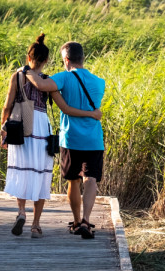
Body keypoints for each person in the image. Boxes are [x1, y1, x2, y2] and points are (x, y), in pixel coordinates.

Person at [0, 34, 101, 238]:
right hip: (49, 130)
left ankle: (21, 211)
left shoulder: (21, 76)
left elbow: (7, 105)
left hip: (22, 127)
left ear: (29, 58)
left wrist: (3, 129)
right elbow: (62, 106)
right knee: (41, 173)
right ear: (46, 61)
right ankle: (39, 225)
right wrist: (91, 113)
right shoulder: (55, 80)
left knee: (23, 170)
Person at [24, 41, 105, 240]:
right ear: (82, 58)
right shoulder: (99, 82)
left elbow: (41, 85)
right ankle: (86, 220)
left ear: (66, 60)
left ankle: (76, 222)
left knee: (73, 180)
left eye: (63, 61)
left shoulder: (64, 77)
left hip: (71, 139)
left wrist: (26, 70)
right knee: (91, 178)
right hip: (94, 139)